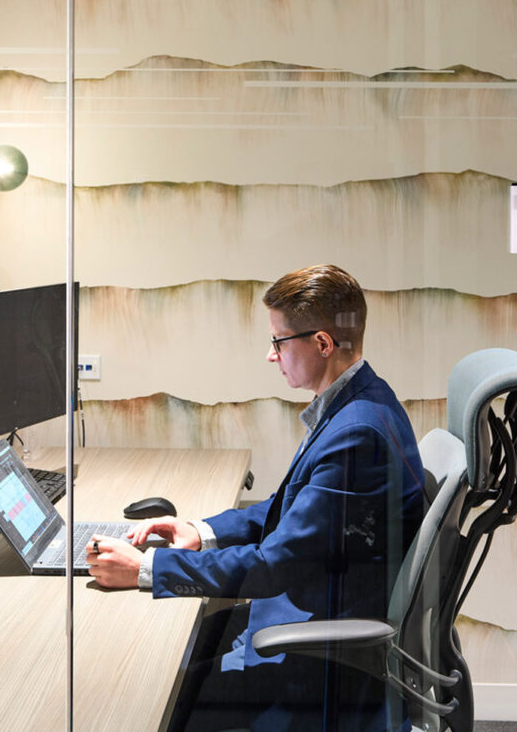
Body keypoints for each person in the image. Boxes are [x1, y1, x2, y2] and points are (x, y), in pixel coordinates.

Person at [87, 264, 426, 732]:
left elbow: (274, 566)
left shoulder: (356, 433)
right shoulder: (362, 399)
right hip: (309, 616)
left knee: (162, 701)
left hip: (320, 656)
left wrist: (145, 569)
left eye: (279, 342)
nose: (272, 356)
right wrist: (201, 532)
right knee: (187, 653)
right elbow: (292, 505)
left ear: (323, 344)